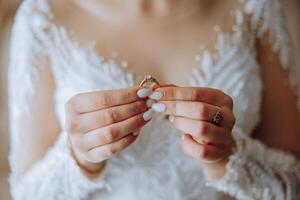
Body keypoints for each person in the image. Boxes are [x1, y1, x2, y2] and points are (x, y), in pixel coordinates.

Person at [8, 0, 300, 199]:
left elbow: (293, 184)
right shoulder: (45, 16)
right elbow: (26, 193)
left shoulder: (254, 8)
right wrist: (79, 159)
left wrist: (229, 157)